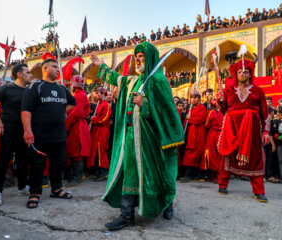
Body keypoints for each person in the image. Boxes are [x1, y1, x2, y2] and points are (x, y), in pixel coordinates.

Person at [91, 41, 184, 230]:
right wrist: (101, 65)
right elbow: (117, 79)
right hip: (131, 138)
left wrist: (145, 104)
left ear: (149, 58)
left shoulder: (158, 80)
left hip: (151, 140)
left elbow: (167, 112)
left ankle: (166, 202)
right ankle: (126, 216)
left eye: (141, 56)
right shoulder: (133, 80)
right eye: (137, 56)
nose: (138, 59)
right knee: (130, 175)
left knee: (156, 176)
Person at [21, 59, 76, 208]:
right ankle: (35, 193)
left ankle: (56, 189)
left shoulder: (61, 88)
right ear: (45, 68)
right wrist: (27, 130)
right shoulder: (35, 86)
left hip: (58, 134)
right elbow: (25, 110)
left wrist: (60, 112)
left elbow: (72, 103)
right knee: (37, 165)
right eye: (54, 67)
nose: (58, 70)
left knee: (58, 163)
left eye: (58, 67)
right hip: (39, 135)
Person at [217, 59, 270, 202]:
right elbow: (223, 110)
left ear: (250, 73)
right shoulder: (228, 90)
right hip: (231, 127)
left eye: (245, 71)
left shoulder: (258, 91)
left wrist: (266, 132)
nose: (242, 73)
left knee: (255, 158)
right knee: (227, 155)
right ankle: (222, 184)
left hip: (251, 130)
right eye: (239, 71)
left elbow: (265, 113)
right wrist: (219, 102)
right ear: (235, 73)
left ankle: (259, 190)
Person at [0, 64, 33, 206]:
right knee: (4, 159)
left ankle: (23, 187)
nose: (31, 75)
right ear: (19, 74)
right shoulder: (6, 88)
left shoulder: (31, 91)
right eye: (28, 72)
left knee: (23, 159)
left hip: (24, 129)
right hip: (8, 128)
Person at [65, 75, 91, 187]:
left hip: (77, 125)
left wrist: (65, 126)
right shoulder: (80, 95)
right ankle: (78, 175)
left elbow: (74, 114)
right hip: (79, 124)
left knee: (77, 151)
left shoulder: (79, 96)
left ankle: (78, 177)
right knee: (77, 150)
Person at [180, 91, 207, 182]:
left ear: (199, 99)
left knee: (193, 153)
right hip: (191, 132)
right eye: (192, 97)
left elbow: (200, 119)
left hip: (198, 132)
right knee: (189, 152)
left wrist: (189, 118)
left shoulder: (202, 107)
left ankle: (189, 174)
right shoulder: (190, 108)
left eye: (195, 97)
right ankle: (191, 173)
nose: (193, 99)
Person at [87, 87, 111, 181]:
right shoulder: (99, 104)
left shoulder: (105, 105)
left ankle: (104, 171)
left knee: (101, 150)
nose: (96, 95)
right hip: (97, 131)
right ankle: (99, 171)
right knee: (96, 151)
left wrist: (94, 120)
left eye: (98, 93)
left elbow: (104, 120)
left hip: (102, 131)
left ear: (102, 94)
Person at [202, 99, 224, 181]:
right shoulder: (222, 114)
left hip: (212, 134)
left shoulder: (211, 113)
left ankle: (213, 174)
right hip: (220, 135)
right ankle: (216, 174)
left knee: (210, 154)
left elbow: (206, 124)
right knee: (218, 154)